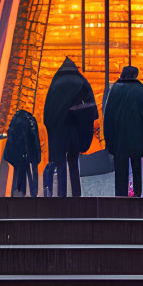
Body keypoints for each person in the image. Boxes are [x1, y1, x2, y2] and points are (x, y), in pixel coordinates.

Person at [42, 56, 97, 199]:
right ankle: (76, 195)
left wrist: (53, 126)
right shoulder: (81, 82)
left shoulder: (55, 83)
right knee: (73, 160)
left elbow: (48, 111)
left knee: (60, 162)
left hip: (59, 130)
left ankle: (62, 195)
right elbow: (89, 109)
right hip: (75, 130)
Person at [103, 64, 143, 197]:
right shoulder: (142, 91)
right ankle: (137, 195)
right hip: (137, 138)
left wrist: (108, 139)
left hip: (119, 139)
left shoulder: (115, 90)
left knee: (120, 171)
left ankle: (120, 197)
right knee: (137, 168)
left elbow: (108, 116)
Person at [3, 108, 41, 196]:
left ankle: (17, 193)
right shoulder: (30, 120)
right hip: (25, 154)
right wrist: (35, 157)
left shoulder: (15, 119)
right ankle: (31, 194)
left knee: (17, 175)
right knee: (29, 177)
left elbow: (11, 138)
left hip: (15, 154)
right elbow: (32, 140)